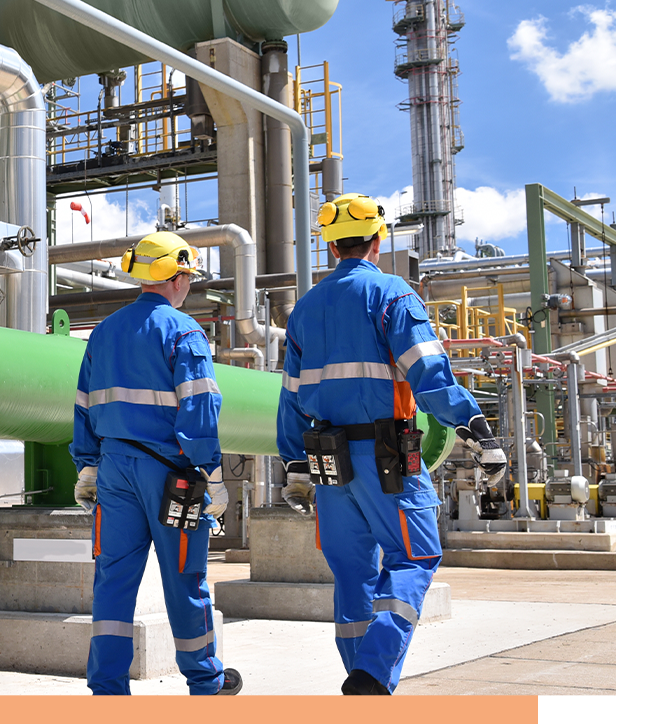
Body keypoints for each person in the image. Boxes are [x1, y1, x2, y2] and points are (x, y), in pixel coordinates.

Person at [277, 193, 507, 696]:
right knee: (414, 559)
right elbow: (429, 373)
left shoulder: (304, 310)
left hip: (327, 463)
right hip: (388, 458)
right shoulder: (391, 294)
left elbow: (290, 395)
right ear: (378, 240)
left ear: (331, 247)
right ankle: (374, 672)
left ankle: (361, 679)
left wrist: (295, 464)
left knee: (352, 573)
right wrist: (475, 427)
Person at [71, 230, 242, 696]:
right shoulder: (184, 331)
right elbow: (200, 410)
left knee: (113, 581)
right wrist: (212, 472)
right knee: (185, 578)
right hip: (170, 475)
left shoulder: (104, 332)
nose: (188, 284)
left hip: (113, 471)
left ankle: (107, 688)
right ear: (176, 277)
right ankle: (205, 680)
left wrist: (87, 466)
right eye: (187, 275)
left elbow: (83, 404)